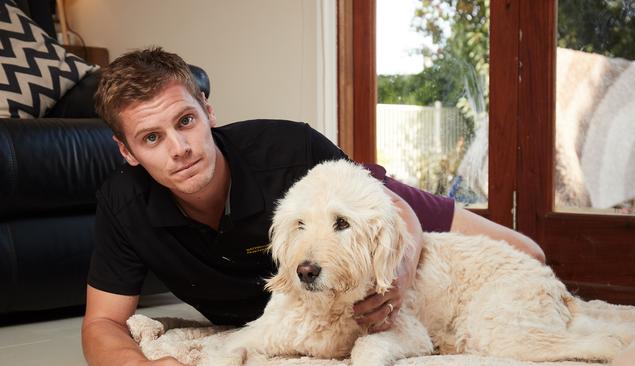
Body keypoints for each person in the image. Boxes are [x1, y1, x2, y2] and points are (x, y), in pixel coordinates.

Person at [81, 47, 545, 366]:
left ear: (208, 112)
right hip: (288, 303)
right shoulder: (124, 205)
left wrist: (398, 279)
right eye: (152, 138)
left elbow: (389, 209)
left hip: (368, 201)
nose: (180, 148)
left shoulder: (289, 148)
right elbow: (102, 321)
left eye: (185, 121)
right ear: (128, 152)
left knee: (531, 255)